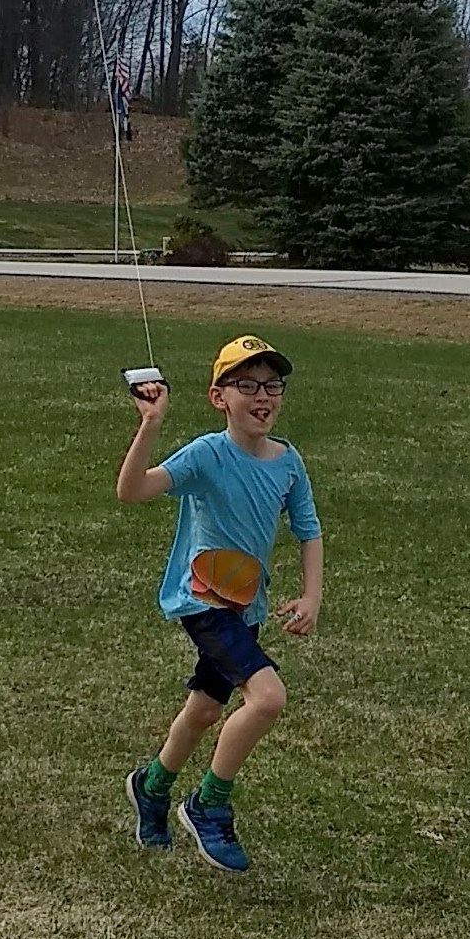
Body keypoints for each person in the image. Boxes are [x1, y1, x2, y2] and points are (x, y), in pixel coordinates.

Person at [116, 333, 324, 873]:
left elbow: (308, 529)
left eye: (272, 385)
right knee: (268, 698)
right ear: (218, 397)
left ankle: (152, 785)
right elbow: (132, 490)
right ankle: (208, 804)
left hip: (245, 607)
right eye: (246, 385)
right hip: (203, 600)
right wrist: (151, 423)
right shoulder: (207, 454)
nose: (262, 396)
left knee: (206, 708)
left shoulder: (288, 461)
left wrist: (311, 595)